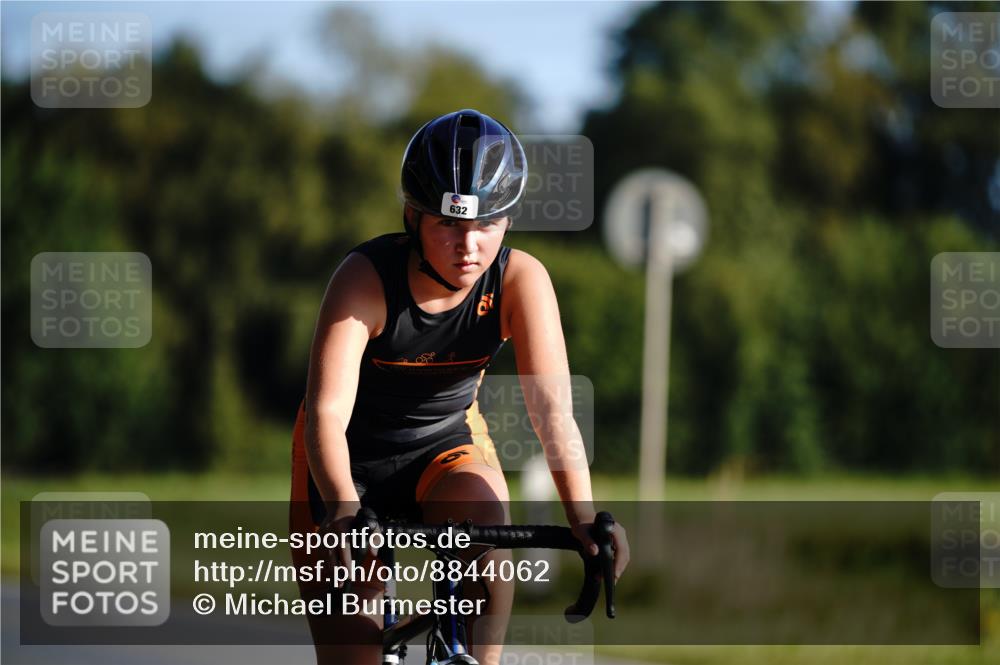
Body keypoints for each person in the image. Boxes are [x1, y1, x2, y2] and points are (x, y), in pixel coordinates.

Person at [289, 109, 629, 665]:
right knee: (355, 634)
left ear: (508, 223)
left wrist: (584, 519)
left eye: (486, 225)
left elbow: (553, 413)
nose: (468, 246)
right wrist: (345, 510)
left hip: (444, 446)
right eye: (449, 224)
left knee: (486, 527)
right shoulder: (365, 280)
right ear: (414, 218)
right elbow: (326, 415)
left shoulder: (521, 280)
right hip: (343, 457)